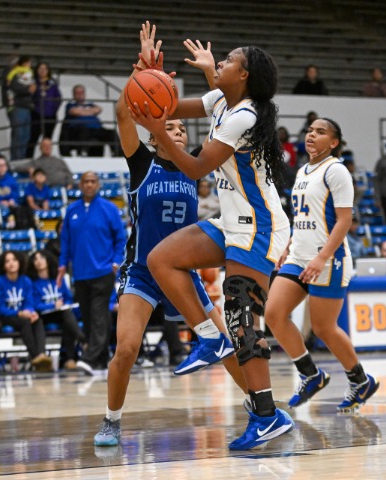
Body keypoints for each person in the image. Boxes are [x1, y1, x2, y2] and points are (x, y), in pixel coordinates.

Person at [130, 37, 294, 450]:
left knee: (242, 320)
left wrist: (160, 134)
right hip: (233, 220)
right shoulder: (223, 99)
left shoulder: (245, 115)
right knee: (161, 259)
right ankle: (209, 337)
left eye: (228, 60)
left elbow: (196, 168)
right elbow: (168, 107)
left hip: (259, 227)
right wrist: (149, 76)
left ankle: (266, 416)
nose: (220, 61)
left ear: (244, 75)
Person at [93, 23, 249, 448]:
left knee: (225, 343)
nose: (179, 131)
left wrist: (210, 77)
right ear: (156, 132)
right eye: (173, 127)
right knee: (126, 349)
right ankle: (111, 420)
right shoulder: (141, 163)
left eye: (182, 128)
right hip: (142, 272)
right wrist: (142, 70)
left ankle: (261, 407)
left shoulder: (196, 164)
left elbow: (224, 115)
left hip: (182, 271)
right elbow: (123, 113)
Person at [264, 117, 380, 413]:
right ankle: (310, 375)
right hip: (299, 255)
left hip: (329, 258)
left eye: (320, 132)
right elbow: (304, 217)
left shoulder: (336, 170)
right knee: (274, 314)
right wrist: (289, 244)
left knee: (323, 328)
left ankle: (361, 381)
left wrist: (321, 257)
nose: (311, 135)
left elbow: (344, 220)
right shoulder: (303, 170)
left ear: (334, 142)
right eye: (310, 130)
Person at [57, 171, 126, 374]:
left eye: (92, 181)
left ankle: (88, 357)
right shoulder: (72, 210)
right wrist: (62, 264)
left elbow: (120, 238)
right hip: (80, 273)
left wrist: (116, 261)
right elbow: (66, 240)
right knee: (88, 318)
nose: (89, 184)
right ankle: (101, 360)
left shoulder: (109, 209)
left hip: (103, 271)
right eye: (85, 181)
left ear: (98, 185)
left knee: (99, 316)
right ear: (80, 185)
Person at [0, 251, 52, 372]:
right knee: (24, 322)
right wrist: (19, 313)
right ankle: (36, 357)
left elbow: (29, 302)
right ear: (3, 265)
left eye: (14, 260)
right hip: (3, 316)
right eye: (7, 261)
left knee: (37, 320)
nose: (11, 263)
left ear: (20, 262)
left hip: (22, 316)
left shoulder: (26, 280)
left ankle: (41, 354)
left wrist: (30, 312)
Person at [27, 250, 84, 369]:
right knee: (40, 320)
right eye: (35, 259)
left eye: (41, 258)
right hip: (42, 315)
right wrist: (53, 305)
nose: (38, 261)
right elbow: (34, 304)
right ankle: (42, 356)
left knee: (67, 317)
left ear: (48, 260)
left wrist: (63, 304)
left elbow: (68, 298)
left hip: (60, 313)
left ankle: (70, 358)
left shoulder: (59, 279)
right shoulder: (32, 282)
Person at [59, 85, 121, 157]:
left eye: (82, 92)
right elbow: (74, 111)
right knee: (84, 132)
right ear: (73, 94)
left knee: (111, 133)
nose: (80, 94)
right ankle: (82, 153)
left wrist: (82, 112)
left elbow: (99, 109)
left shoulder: (90, 104)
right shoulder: (70, 104)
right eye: (77, 93)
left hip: (97, 129)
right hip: (80, 129)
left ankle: (119, 155)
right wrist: (90, 111)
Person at [28, 62, 62, 158]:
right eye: (40, 68)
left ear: (48, 71)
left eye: (45, 69)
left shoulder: (52, 84)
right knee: (33, 138)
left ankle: (46, 157)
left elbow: (58, 98)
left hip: (50, 115)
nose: (43, 71)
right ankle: (28, 158)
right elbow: (29, 98)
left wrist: (53, 110)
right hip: (36, 114)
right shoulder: (33, 83)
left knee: (48, 139)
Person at [6, 56, 35, 161]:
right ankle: (16, 159)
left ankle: (22, 158)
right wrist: (28, 90)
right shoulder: (14, 74)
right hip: (18, 107)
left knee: (26, 135)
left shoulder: (30, 75)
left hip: (27, 107)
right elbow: (14, 87)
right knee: (18, 134)